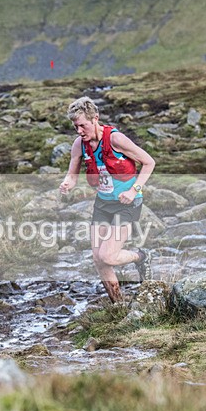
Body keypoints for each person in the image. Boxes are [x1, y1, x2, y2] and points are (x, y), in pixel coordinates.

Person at [59, 96, 155, 303]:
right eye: (75, 126)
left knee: (108, 256)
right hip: (103, 204)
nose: (79, 131)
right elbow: (72, 175)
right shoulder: (79, 145)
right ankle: (118, 305)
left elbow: (149, 162)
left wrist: (133, 190)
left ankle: (141, 256)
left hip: (127, 203)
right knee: (98, 259)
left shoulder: (115, 139)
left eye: (82, 126)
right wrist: (67, 183)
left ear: (95, 118)